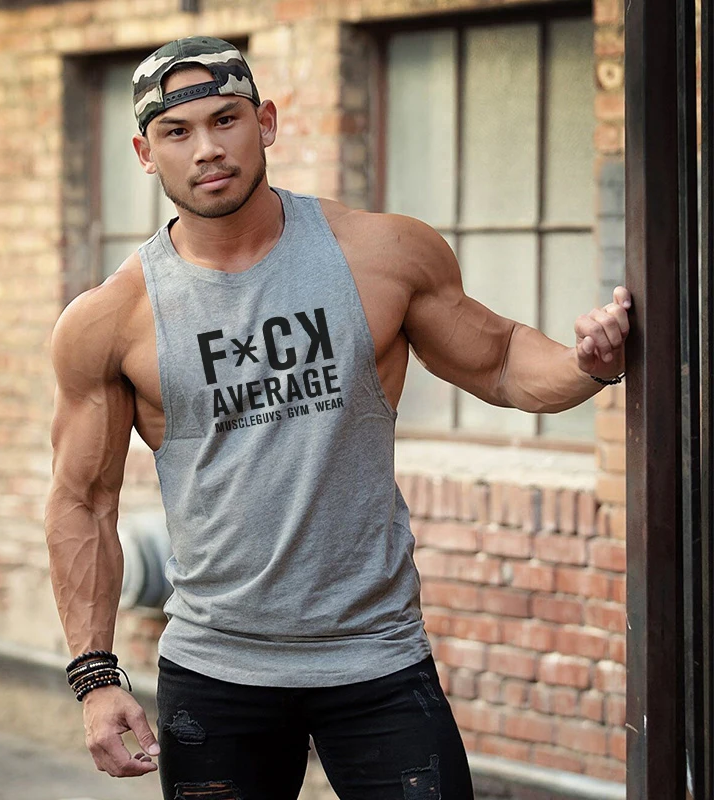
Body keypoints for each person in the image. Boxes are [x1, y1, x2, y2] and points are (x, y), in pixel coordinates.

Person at [44, 36, 631, 800]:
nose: (208, 148)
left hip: (378, 659)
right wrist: (95, 677)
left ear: (266, 122)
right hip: (217, 670)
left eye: (226, 119)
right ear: (145, 153)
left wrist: (588, 362)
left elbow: (498, 360)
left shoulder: (380, 254)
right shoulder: (111, 318)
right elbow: (83, 500)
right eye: (177, 131)